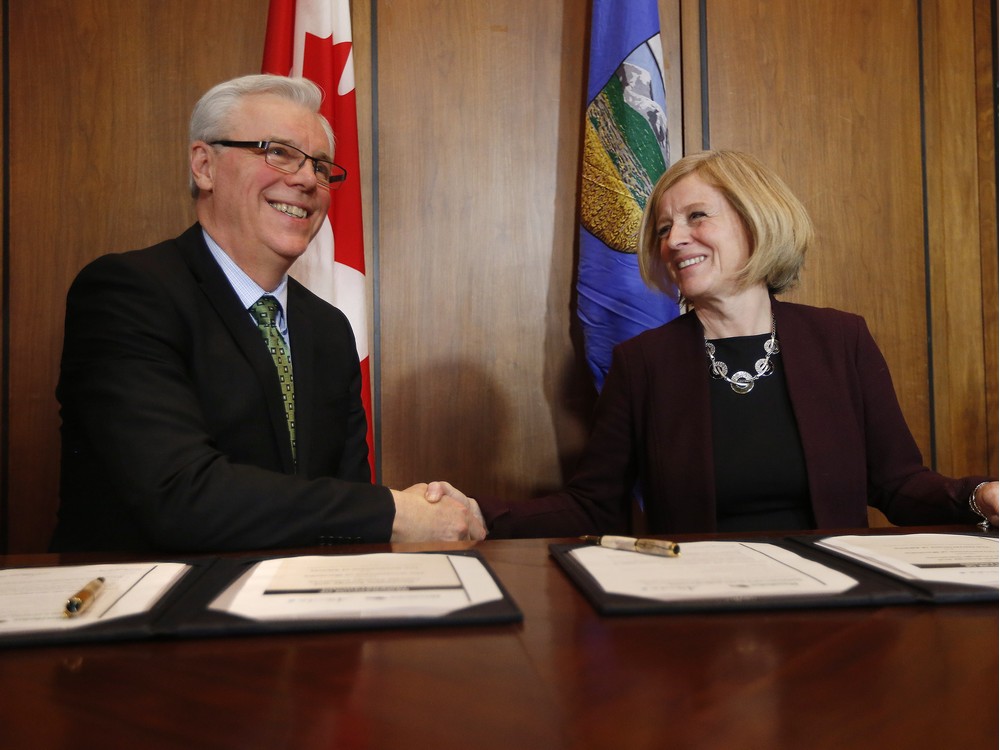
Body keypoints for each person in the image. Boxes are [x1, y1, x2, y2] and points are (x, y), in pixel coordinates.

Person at [51, 74, 484, 553]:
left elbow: (345, 504)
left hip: (302, 608)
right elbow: (179, 496)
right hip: (148, 610)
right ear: (204, 166)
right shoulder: (128, 293)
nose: (305, 180)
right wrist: (394, 512)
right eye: (278, 152)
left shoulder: (327, 328)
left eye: (320, 166)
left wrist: (427, 506)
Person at [473, 149, 997, 537]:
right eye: (663, 228)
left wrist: (978, 496)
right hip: (702, 611)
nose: (674, 240)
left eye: (697, 216)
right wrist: (477, 515)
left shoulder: (840, 339)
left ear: (755, 220)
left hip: (838, 607)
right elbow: (594, 505)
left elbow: (899, 485)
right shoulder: (643, 363)